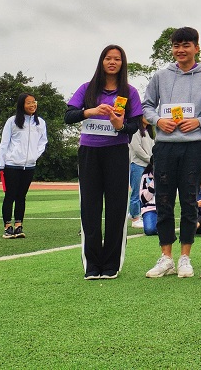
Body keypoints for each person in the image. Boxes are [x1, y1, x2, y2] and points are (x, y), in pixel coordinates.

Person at [65, 44, 143, 280]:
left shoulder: (129, 92)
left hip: (117, 153)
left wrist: (120, 125)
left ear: (122, 63)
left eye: (117, 59)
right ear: (101, 62)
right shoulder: (87, 89)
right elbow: (69, 116)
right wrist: (90, 111)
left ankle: (111, 264)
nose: (112, 62)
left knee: (116, 208)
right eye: (108, 58)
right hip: (89, 152)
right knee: (90, 208)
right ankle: (92, 264)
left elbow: (134, 125)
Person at [142, 26, 201, 279]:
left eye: (186, 45)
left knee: (189, 201)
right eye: (176, 46)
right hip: (164, 147)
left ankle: (185, 257)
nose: (180, 50)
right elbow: (147, 106)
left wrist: (199, 121)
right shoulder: (160, 77)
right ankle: (166, 257)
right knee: (163, 200)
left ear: (196, 47)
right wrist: (158, 121)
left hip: (193, 146)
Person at [0, 93, 48, 239]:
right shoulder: (12, 121)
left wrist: (34, 156)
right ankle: (8, 227)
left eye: (34, 102)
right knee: (10, 195)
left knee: (21, 196)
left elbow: (43, 142)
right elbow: (4, 142)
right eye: (28, 103)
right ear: (22, 105)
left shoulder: (40, 123)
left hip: (29, 166)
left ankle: (19, 226)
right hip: (12, 165)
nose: (32, 105)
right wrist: (0, 164)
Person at [129, 118, 155, 228]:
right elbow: (137, 149)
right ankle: (135, 218)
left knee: (146, 191)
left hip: (148, 165)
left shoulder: (149, 132)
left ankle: (137, 213)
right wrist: (150, 160)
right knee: (136, 192)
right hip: (138, 164)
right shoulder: (135, 130)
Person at [139, 159, 157, 236]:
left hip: (164, 209)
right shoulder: (145, 177)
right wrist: (153, 183)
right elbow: (143, 199)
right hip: (149, 209)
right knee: (149, 230)